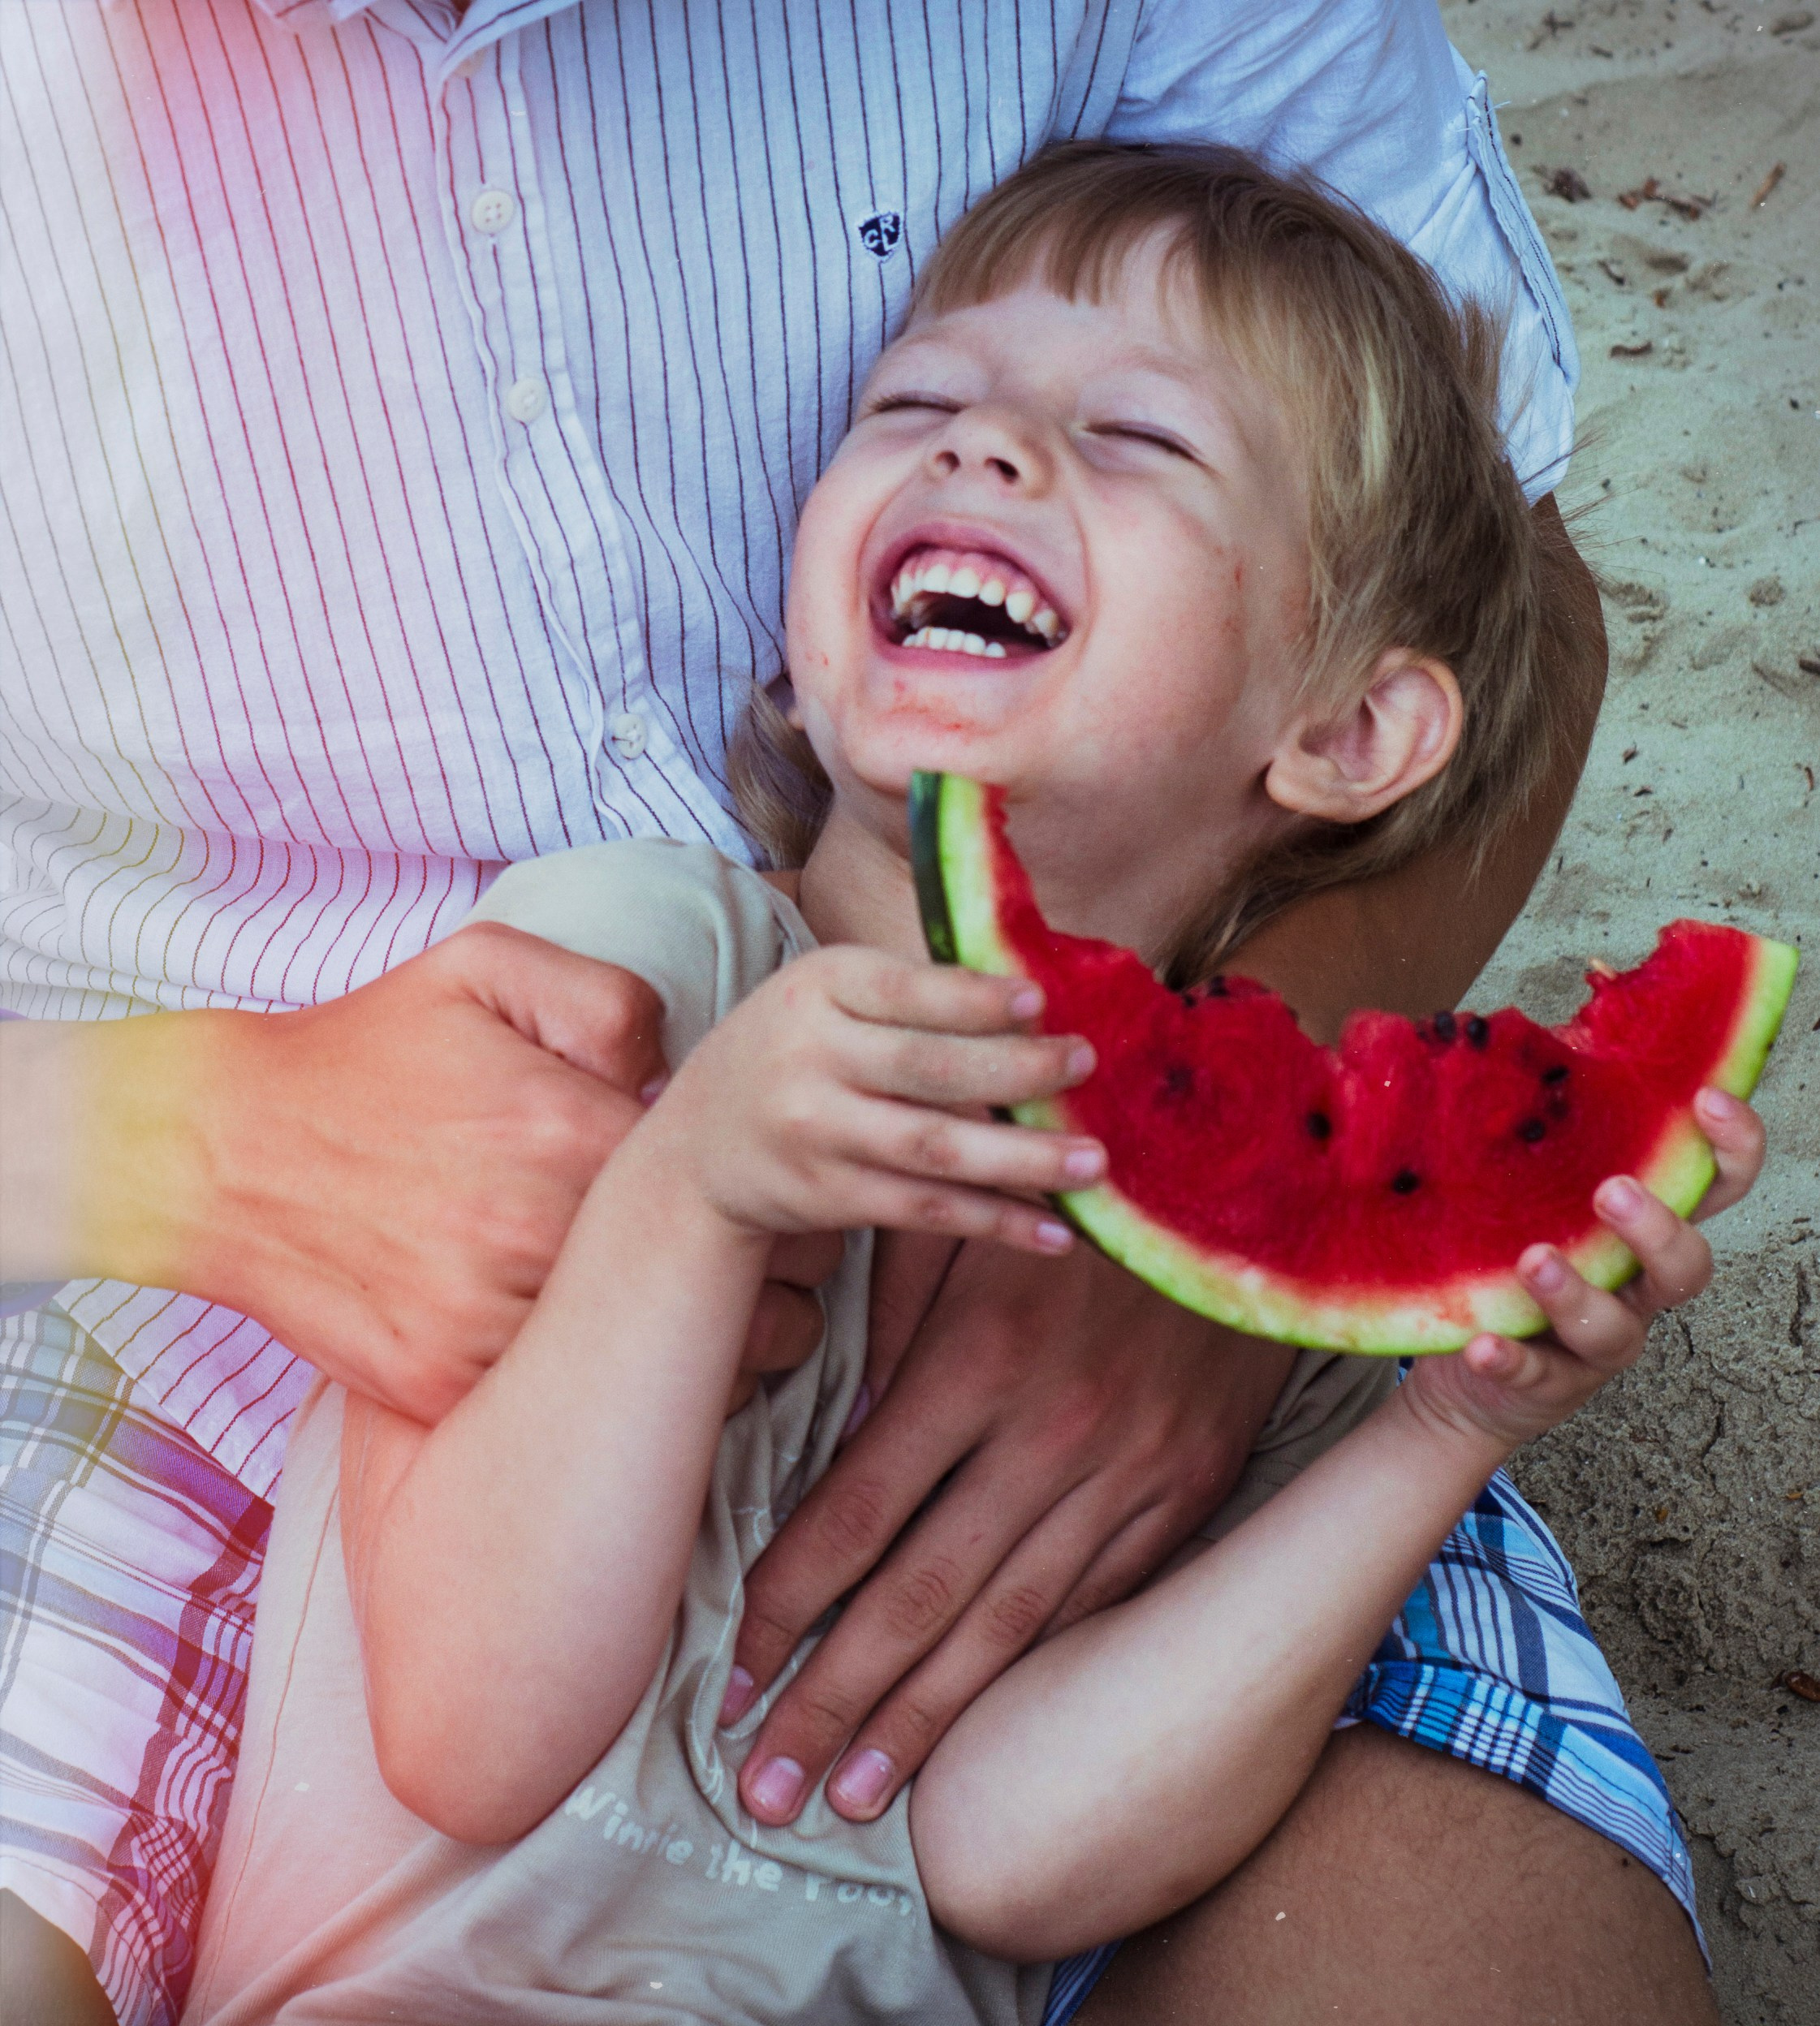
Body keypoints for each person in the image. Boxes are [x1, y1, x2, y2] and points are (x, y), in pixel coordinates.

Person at [0, 4, 1738, 2023]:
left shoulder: (1304, 1291)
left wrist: (1398, 1394)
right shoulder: (623, 968)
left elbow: (1003, 1849)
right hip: (170, 1298)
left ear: (1350, 732)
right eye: (903, 402)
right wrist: (651, 1183)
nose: (985, 447)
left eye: (1136, 440)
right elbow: (468, 1727)